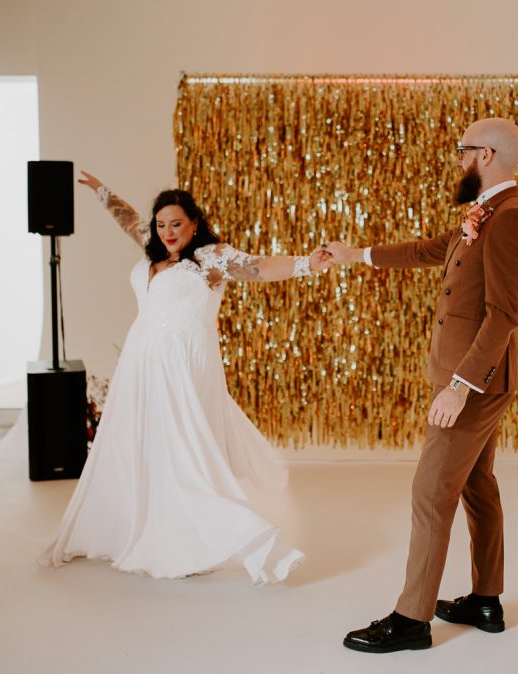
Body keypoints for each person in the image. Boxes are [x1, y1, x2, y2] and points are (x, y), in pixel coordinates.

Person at [39, 171, 331, 582]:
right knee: (140, 446)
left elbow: (259, 267)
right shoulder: (151, 247)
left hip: (184, 364)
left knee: (184, 452)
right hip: (141, 363)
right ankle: (140, 524)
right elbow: (126, 218)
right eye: (161, 224)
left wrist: (307, 263)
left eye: (176, 223)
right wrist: (102, 190)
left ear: (194, 223)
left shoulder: (210, 257)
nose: (167, 232)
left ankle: (217, 535)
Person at [326, 118, 518, 652]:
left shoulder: (511, 218)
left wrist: (461, 386)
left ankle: (411, 618)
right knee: (476, 484)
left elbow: (502, 315)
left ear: (486, 154)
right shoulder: (486, 211)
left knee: (430, 490)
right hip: (472, 377)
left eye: (462, 150)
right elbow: (434, 249)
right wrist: (359, 254)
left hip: (475, 380)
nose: (457, 159)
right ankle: (485, 600)